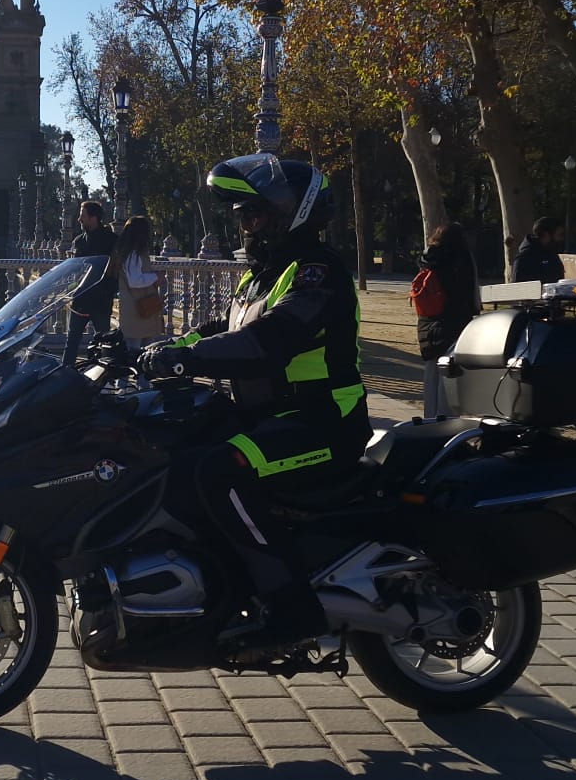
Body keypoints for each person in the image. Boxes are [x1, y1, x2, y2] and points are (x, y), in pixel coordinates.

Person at [137, 154, 368, 658]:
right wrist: (157, 348)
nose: (244, 225)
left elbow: (269, 340)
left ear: (289, 214)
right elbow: (222, 329)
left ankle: (292, 608)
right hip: (269, 416)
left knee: (220, 471)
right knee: (177, 448)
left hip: (323, 421)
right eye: (241, 215)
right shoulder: (261, 276)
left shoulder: (317, 273)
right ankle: (221, 585)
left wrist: (188, 359)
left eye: (253, 214)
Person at [415, 220, 482, 418]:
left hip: (427, 321)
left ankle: (430, 419)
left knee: (431, 374)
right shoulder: (461, 258)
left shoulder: (427, 258)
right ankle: (445, 421)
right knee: (449, 373)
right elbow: (467, 294)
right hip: (454, 321)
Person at [63, 200, 118, 365]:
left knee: (104, 341)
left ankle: (102, 372)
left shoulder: (112, 240)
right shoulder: (79, 241)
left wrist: (109, 290)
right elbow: (75, 271)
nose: (79, 219)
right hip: (81, 299)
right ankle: (66, 372)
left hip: (101, 299)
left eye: (83, 216)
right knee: (72, 341)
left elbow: (116, 269)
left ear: (93, 218)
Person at [113, 215, 165, 344]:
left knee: (145, 345)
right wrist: (156, 277)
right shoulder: (133, 253)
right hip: (137, 309)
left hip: (142, 309)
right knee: (135, 348)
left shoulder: (132, 252)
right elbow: (134, 280)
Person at [511, 216, 566, 283]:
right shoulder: (524, 258)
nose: (561, 239)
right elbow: (517, 286)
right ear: (546, 234)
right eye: (559, 235)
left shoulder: (552, 255)